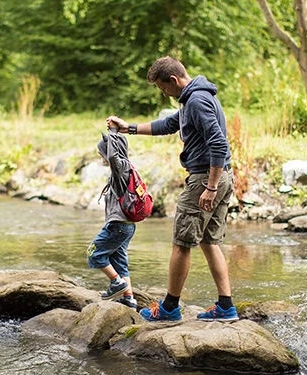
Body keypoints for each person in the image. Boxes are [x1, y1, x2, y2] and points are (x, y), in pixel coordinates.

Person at [107, 55, 237, 322]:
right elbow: (168, 124)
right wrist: (128, 128)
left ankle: (169, 308)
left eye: (162, 88)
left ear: (174, 80)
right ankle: (226, 307)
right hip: (223, 176)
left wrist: (210, 188)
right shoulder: (196, 97)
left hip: (206, 178)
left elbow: (219, 144)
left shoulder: (197, 101)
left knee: (181, 244)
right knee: (209, 241)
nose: (163, 93)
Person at [86, 128, 138, 309]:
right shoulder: (128, 168)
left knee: (94, 253)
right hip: (127, 225)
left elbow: (114, 157)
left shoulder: (120, 167)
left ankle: (116, 282)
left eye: (102, 152)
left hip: (118, 226)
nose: (101, 156)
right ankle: (129, 298)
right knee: (119, 260)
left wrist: (113, 133)